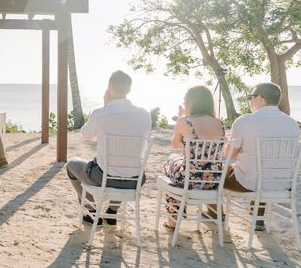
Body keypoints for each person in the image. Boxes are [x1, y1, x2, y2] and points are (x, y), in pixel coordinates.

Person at [66, 71, 151, 226]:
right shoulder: (145, 114)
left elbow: (85, 134)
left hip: (104, 178)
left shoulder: (101, 114)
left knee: (71, 165)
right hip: (135, 180)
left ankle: (92, 213)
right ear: (129, 89)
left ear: (109, 87)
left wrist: (105, 107)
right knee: (123, 167)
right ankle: (112, 212)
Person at [215, 82, 300, 230]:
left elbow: (229, 155)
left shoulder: (245, 121)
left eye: (251, 96)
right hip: (283, 184)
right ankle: (258, 217)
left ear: (261, 98)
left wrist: (228, 143)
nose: (249, 100)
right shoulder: (292, 123)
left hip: (248, 184)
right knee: (262, 169)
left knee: (215, 170)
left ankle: (215, 213)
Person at [162, 86, 225, 229]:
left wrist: (180, 117)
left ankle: (173, 220)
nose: (184, 103)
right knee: (177, 167)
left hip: (189, 179)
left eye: (186, 100)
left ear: (192, 102)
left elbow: (175, 144)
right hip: (213, 180)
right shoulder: (219, 123)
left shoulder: (184, 121)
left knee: (171, 161)